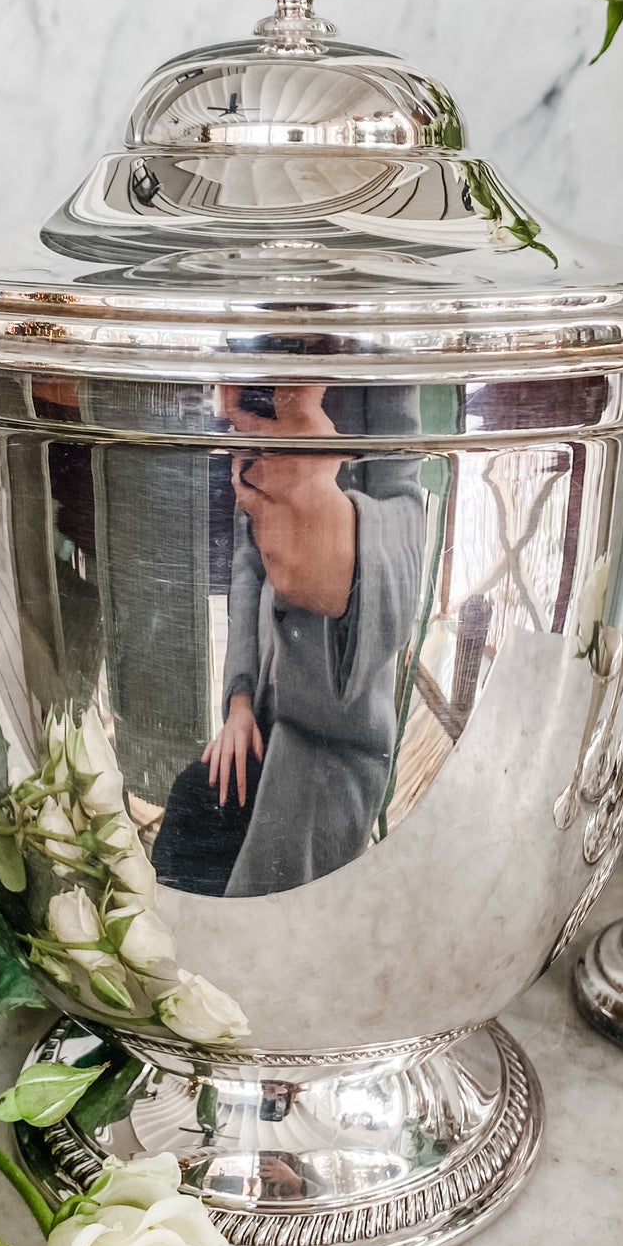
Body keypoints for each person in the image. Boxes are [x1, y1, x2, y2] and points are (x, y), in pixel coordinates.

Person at [153, 383, 425, 898]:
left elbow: (405, 511)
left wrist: (336, 537)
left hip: (335, 735)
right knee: (190, 815)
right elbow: (247, 559)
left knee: (277, 895)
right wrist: (237, 702)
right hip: (259, 715)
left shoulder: (374, 366)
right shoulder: (257, 371)